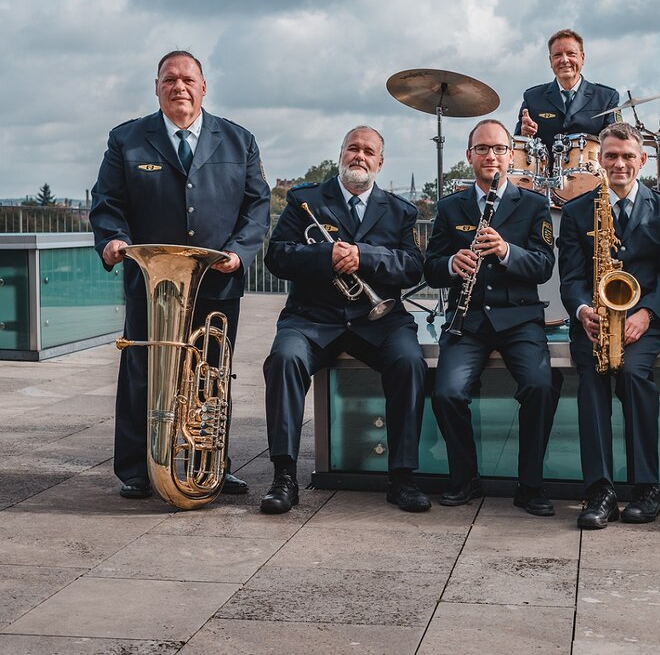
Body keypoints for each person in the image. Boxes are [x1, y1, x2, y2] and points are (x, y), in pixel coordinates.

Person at [90, 50, 270, 500]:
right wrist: (112, 239)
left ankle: (213, 465)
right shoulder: (126, 139)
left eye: (188, 79)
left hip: (217, 279)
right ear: (156, 87)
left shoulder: (239, 140)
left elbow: (257, 206)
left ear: (204, 87)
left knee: (211, 376)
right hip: (152, 285)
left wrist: (239, 251)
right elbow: (108, 202)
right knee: (142, 373)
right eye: (169, 79)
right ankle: (136, 469)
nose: (179, 87)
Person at [260, 126, 429, 514]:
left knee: (409, 363)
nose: (360, 156)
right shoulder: (306, 200)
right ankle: (284, 475)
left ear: (380, 162)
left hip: (380, 320)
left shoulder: (401, 211)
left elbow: (412, 267)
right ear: (340, 155)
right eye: (352, 148)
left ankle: (402, 475)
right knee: (283, 361)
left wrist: (364, 257)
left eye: (368, 151)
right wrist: (325, 258)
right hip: (312, 318)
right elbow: (277, 256)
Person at [424, 119, 560, 515]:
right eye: (482, 149)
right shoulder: (451, 207)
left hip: (519, 320)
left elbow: (543, 267)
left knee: (540, 387)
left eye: (499, 148)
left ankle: (530, 485)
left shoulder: (534, 203)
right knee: (447, 393)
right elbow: (430, 267)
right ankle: (465, 479)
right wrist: (452, 263)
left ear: (511, 155)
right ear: (469, 156)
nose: (491, 156)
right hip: (468, 323)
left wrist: (505, 251)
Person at [557, 122, 660, 529]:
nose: (619, 163)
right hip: (594, 320)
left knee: (632, 374)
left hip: (645, 319)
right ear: (599, 160)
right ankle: (600, 490)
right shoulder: (578, 211)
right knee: (592, 380)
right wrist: (581, 312)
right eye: (611, 155)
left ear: (643, 160)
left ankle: (647, 488)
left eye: (628, 156)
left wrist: (647, 314)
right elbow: (571, 278)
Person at [516, 29, 620, 153]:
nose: (564, 60)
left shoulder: (607, 97)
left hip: (592, 171)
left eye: (571, 54)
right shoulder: (532, 97)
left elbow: (616, 143)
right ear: (550, 61)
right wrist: (524, 134)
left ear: (582, 58)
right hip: (545, 171)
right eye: (557, 55)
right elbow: (517, 145)